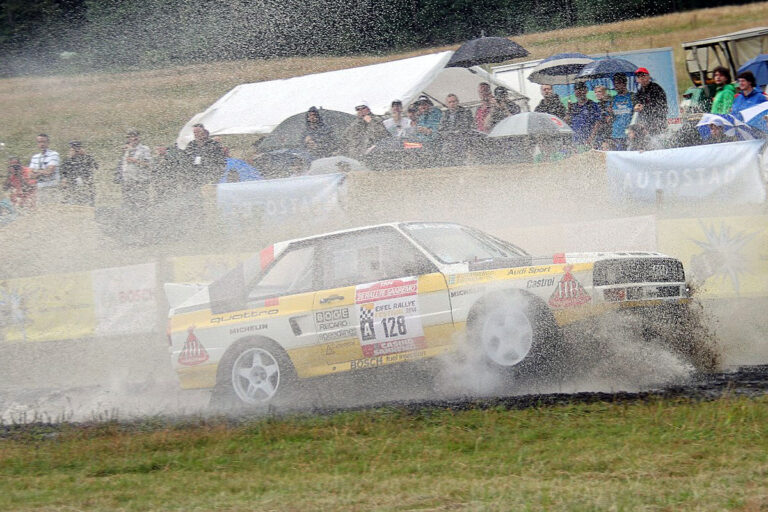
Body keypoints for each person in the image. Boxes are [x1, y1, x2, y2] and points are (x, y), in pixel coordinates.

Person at [115, 129, 152, 208]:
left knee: (141, 202)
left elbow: (149, 164)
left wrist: (136, 161)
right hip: (127, 180)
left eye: (135, 137)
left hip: (140, 180)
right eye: (130, 137)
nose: (133, 139)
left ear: (139, 137)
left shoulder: (144, 149)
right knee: (128, 202)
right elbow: (122, 164)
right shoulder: (126, 149)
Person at [59, 140, 97, 206]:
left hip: (86, 187)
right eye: (73, 148)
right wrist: (64, 180)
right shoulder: (68, 160)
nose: (75, 150)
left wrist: (85, 154)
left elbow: (96, 166)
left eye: (77, 148)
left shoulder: (86, 158)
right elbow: (63, 173)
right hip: (72, 187)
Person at [439, 93, 474, 163]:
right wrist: (449, 135)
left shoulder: (465, 112)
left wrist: (456, 134)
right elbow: (441, 129)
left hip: (462, 140)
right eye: (450, 102)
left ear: (457, 102)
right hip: (449, 141)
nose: (452, 104)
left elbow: (467, 127)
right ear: (447, 104)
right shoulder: (445, 114)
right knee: (446, 153)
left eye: (454, 101)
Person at [565, 82, 600, 150]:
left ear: (586, 91)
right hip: (575, 141)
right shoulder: (573, 106)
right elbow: (566, 122)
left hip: (589, 140)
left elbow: (598, 122)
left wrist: (591, 138)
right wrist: (568, 111)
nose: (579, 92)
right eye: (577, 90)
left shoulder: (593, 105)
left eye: (581, 90)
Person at [633, 67, 668, 135]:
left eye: (643, 75)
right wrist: (636, 106)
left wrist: (644, 107)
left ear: (648, 77)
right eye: (639, 76)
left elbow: (661, 106)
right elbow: (637, 103)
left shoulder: (656, 88)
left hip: (658, 122)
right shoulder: (640, 92)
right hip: (647, 123)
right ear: (637, 80)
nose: (641, 78)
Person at [29, 133, 60, 204]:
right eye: (39, 142)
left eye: (44, 142)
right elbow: (30, 175)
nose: (42, 144)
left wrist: (36, 171)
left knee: (53, 208)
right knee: (41, 208)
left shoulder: (54, 154)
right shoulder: (35, 157)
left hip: (52, 188)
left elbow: (49, 172)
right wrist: (43, 171)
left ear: (48, 143)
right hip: (40, 188)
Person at [610, 74, 635, 150]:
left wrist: (633, 130)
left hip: (630, 134)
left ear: (624, 83)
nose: (616, 86)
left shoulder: (632, 97)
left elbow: (638, 114)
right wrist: (610, 113)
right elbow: (611, 117)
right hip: (616, 135)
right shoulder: (612, 99)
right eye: (614, 84)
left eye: (618, 83)